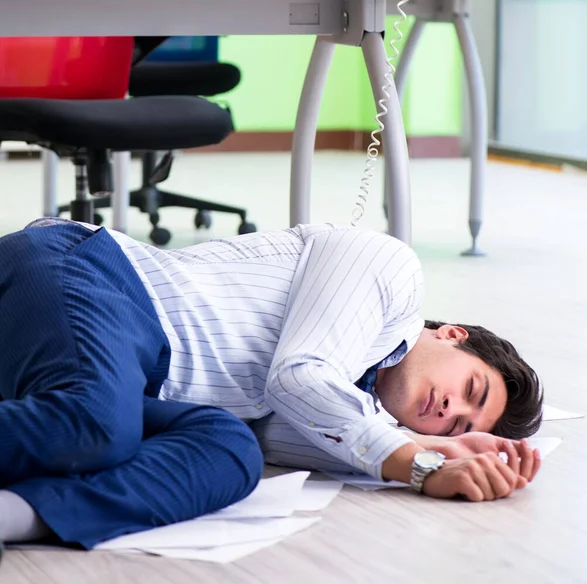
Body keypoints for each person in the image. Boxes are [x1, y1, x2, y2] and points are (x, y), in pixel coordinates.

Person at [0, 219, 543, 553]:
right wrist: (420, 463)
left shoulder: (353, 406)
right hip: (93, 278)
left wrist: (437, 448)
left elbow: (277, 436)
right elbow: (299, 376)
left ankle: (16, 514)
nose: (449, 410)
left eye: (458, 424)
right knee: (98, 427)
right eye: (470, 389)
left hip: (131, 382)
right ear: (453, 334)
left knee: (232, 452)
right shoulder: (391, 270)